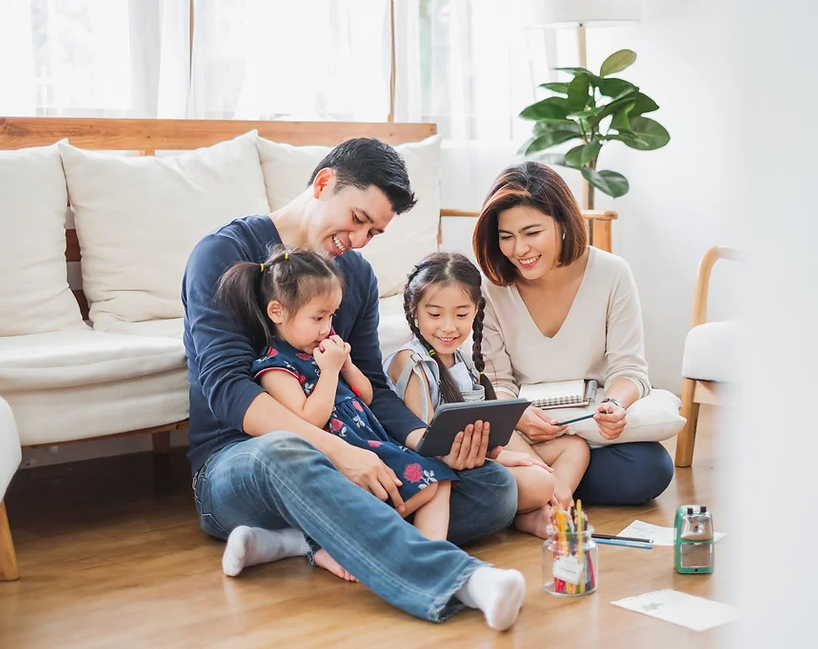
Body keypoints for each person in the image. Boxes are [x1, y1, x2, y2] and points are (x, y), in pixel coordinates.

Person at [182, 138, 525, 629]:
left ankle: (300, 540)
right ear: (324, 184)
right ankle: (464, 581)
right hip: (240, 466)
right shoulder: (222, 253)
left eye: (375, 231)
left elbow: (375, 389)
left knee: (492, 488)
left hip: (347, 447)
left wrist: (426, 444)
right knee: (285, 452)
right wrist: (338, 453)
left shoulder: (355, 276)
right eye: (359, 219)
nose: (361, 240)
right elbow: (226, 387)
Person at [217, 246, 455, 560]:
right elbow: (310, 419)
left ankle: (431, 554)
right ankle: (338, 542)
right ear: (277, 312)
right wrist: (329, 371)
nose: (327, 327)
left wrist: (347, 366)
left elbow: (366, 397)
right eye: (318, 317)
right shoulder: (275, 367)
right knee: (421, 486)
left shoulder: (324, 351)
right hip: (334, 459)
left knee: (439, 480)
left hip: (370, 444)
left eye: (331, 316)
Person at [472, 161, 675, 506]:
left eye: (532, 233)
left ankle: (537, 487)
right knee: (486, 448)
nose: (519, 250)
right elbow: (496, 381)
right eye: (506, 237)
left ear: (563, 222)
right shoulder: (491, 289)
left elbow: (629, 369)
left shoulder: (612, 273)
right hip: (527, 433)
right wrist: (518, 414)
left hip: (590, 427)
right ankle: (548, 483)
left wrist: (614, 404)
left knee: (650, 468)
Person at [384, 252, 589, 538]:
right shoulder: (411, 362)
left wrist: (513, 456)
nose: (448, 326)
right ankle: (538, 508)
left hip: (481, 456)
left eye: (461, 314)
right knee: (539, 481)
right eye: (434, 314)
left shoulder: (463, 361)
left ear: (476, 310)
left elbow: (489, 429)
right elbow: (430, 447)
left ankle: (549, 509)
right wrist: (505, 460)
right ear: (414, 310)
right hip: (447, 468)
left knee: (575, 448)